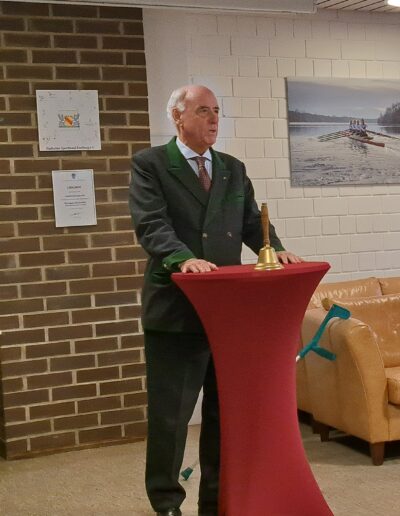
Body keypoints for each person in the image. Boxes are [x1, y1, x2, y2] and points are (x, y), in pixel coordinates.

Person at [129, 84, 302, 516]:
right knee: (171, 419)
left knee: (223, 418)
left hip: (228, 315)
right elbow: (151, 224)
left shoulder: (231, 168)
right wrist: (183, 258)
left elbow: (252, 222)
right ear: (177, 117)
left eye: (217, 111)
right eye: (203, 111)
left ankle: (215, 500)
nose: (213, 119)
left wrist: (275, 248)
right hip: (176, 310)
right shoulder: (151, 164)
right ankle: (166, 503)